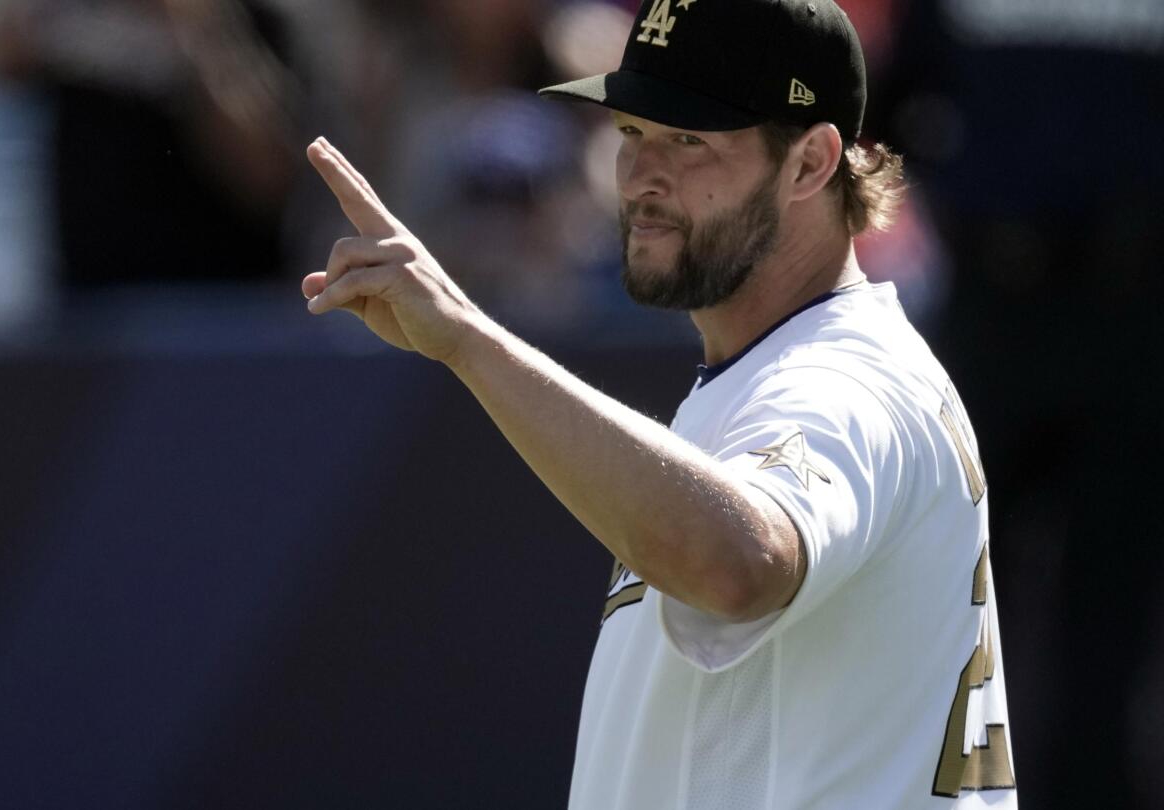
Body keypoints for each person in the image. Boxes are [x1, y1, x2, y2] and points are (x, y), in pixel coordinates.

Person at [301, 0, 1016, 807]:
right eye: (634, 132)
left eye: (689, 140)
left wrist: (466, 339)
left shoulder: (843, 382)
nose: (640, 177)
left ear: (812, 163)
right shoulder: (769, 372)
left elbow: (739, 563)